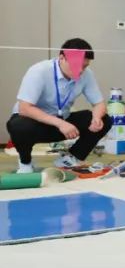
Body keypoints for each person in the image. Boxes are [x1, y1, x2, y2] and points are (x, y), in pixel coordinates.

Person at [7, 38, 112, 173]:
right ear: (62, 58)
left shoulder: (86, 74)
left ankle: (71, 158)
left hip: (63, 122)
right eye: (76, 65)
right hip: (36, 123)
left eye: (85, 66)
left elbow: (99, 104)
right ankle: (25, 162)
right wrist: (60, 124)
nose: (80, 70)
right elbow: (24, 108)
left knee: (105, 120)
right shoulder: (39, 71)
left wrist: (96, 118)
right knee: (18, 125)